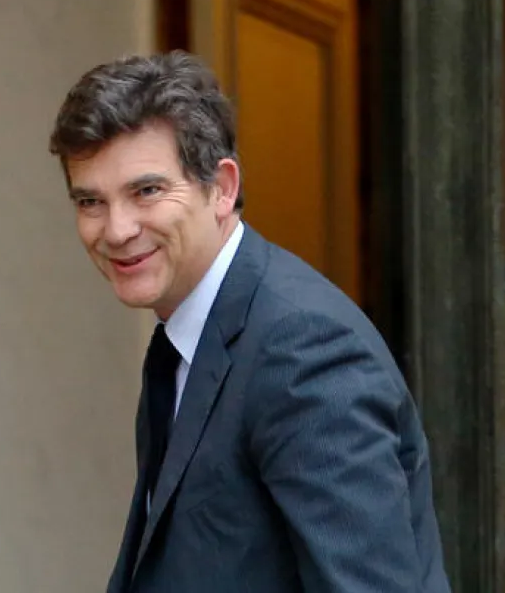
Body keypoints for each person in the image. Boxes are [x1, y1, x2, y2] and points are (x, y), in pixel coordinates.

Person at [48, 51, 451, 593]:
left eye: (146, 191)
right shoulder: (186, 335)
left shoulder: (304, 348)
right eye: (90, 201)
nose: (117, 230)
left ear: (222, 188)